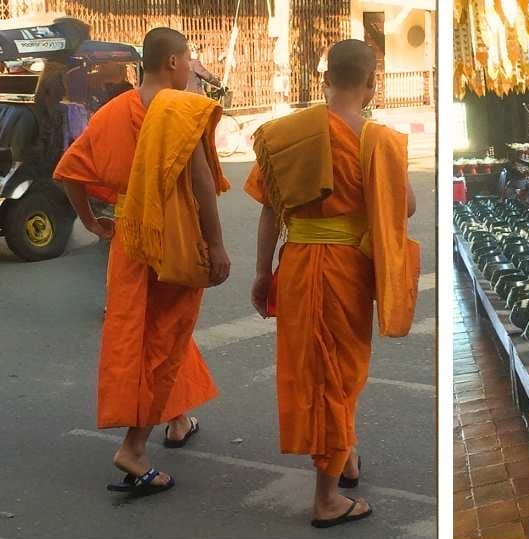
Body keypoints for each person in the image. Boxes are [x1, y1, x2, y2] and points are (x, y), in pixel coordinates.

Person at [246, 39, 419, 528]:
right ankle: (325, 500)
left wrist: (263, 274)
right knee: (336, 372)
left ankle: (345, 454)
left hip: (298, 262)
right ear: (371, 83)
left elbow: (268, 211)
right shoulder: (378, 140)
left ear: (325, 79)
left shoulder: (288, 135)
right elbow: (403, 207)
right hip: (346, 269)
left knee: (323, 369)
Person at [53, 27, 231, 496]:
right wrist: (215, 244)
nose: (193, 66)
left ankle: (177, 419)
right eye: (189, 57)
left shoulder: (112, 112)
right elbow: (201, 185)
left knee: (148, 331)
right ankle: (133, 448)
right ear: (173, 61)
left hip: (130, 234)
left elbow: (70, 170)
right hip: (173, 234)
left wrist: (92, 222)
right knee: (165, 338)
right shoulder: (179, 110)